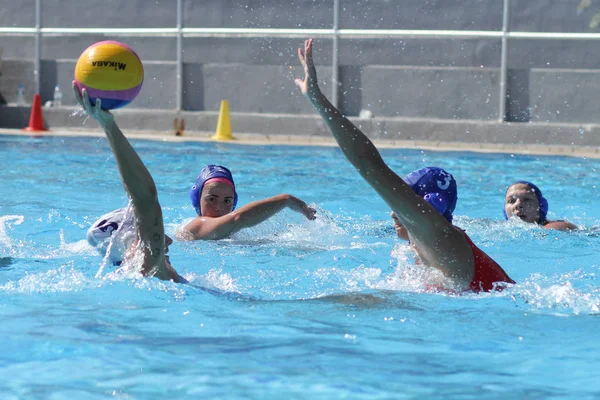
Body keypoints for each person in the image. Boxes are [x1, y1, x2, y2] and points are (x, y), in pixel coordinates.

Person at [295, 39, 514, 292]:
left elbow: (368, 164)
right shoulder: (432, 243)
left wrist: (318, 101)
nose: (393, 211)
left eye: (402, 200)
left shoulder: (439, 236)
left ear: (427, 204)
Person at [74, 81, 183, 282]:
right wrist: (109, 127)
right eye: (141, 233)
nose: (167, 240)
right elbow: (145, 198)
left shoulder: (139, 276)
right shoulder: (149, 268)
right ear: (128, 246)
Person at [179, 164, 316, 240]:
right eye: (212, 199)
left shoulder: (232, 232)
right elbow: (238, 218)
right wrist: (286, 199)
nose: (219, 207)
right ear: (197, 199)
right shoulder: (194, 227)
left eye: (227, 201)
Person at [504, 181, 578, 231]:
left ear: (541, 206)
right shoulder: (499, 228)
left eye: (527, 199)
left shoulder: (557, 227)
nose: (518, 204)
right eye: (511, 201)